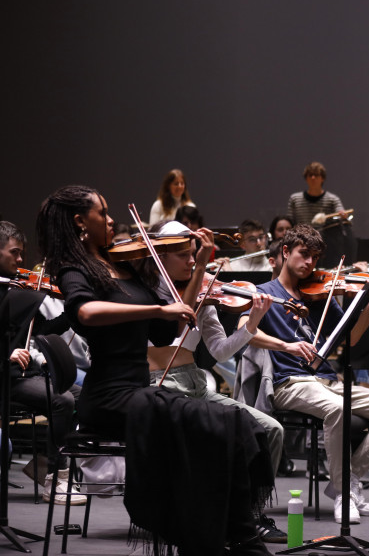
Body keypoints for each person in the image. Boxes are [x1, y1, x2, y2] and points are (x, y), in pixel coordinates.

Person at [37, 185, 274, 555]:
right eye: (103, 213)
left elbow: (171, 327)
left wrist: (197, 268)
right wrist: (157, 310)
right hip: (109, 396)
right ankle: (222, 540)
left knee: (236, 424)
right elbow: (85, 312)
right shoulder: (74, 268)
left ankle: (230, 535)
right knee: (207, 423)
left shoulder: (124, 263)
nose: (112, 219)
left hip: (140, 392)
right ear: (81, 222)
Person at [239, 224, 369, 524]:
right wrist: (286, 346)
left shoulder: (319, 295)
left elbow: (351, 339)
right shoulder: (264, 293)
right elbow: (243, 332)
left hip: (328, 382)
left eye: (315, 258)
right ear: (285, 252)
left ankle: (346, 480)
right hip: (289, 382)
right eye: (304, 254)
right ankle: (345, 494)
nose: (309, 263)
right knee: (338, 409)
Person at [142, 220, 288, 544]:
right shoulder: (147, 291)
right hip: (159, 386)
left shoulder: (206, 291)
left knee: (270, 430)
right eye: (183, 255)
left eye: (193, 254)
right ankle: (205, 518)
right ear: (161, 257)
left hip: (196, 384)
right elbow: (168, 323)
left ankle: (248, 515)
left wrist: (251, 324)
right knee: (212, 444)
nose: (192, 261)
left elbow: (220, 350)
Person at [0, 221, 85, 505]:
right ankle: (55, 479)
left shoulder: (16, 291)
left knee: (79, 395)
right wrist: (7, 355)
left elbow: (42, 330)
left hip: (19, 376)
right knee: (62, 400)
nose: (21, 259)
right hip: (5, 376)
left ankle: (46, 464)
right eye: (14, 253)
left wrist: (72, 312)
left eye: (22, 253)